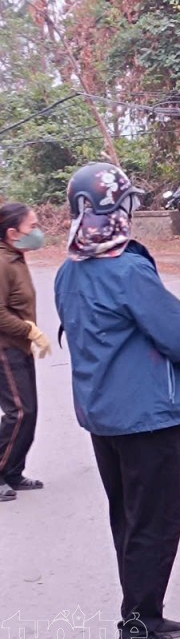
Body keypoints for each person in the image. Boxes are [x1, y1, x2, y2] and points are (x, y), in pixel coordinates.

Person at [54, 162, 180, 639]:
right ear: (113, 208)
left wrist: (179, 318)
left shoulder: (69, 269)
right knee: (156, 520)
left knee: (128, 517)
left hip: (103, 414)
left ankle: (147, 609)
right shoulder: (128, 268)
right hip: (149, 415)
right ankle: (138, 627)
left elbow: (111, 327)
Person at [0, 203, 49, 503]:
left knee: (28, 413)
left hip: (19, 347)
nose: (37, 232)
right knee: (19, 412)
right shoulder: (2, 263)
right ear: (12, 233)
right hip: (5, 349)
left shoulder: (15, 257)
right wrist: (29, 331)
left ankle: (13, 472)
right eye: (32, 227)